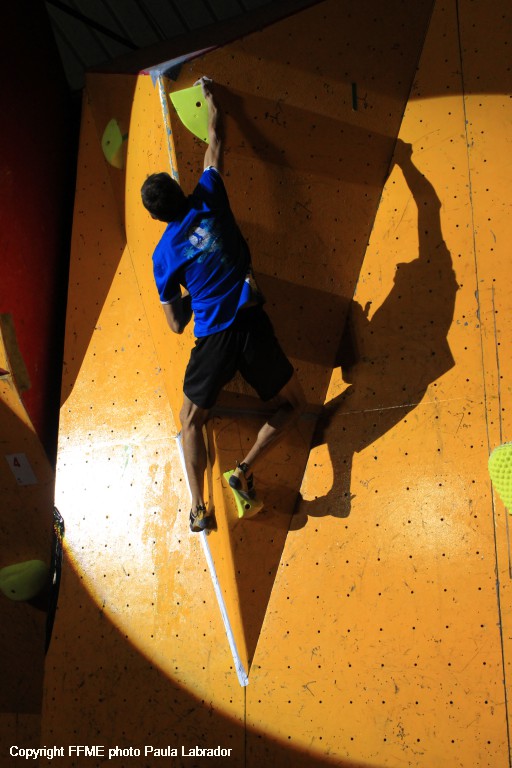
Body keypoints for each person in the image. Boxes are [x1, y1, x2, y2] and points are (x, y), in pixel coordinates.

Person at [141, 77, 304, 533]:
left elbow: (175, 323)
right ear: (181, 190)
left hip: (213, 337)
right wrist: (212, 98)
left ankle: (198, 509)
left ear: (156, 217)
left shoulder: (163, 256)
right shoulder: (210, 193)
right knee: (294, 405)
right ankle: (243, 469)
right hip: (251, 324)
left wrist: (194, 291)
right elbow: (215, 138)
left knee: (190, 420)